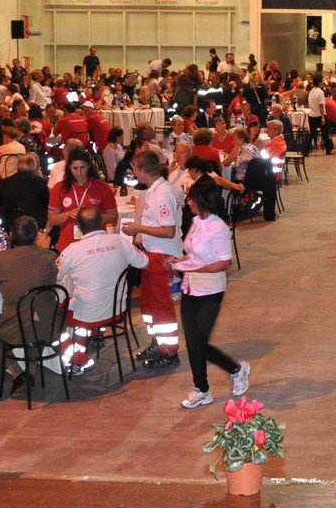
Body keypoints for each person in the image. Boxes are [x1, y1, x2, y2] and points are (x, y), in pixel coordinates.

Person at [173, 182, 248, 408]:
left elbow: (224, 262)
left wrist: (197, 269)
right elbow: (193, 254)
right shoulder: (196, 222)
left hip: (210, 290)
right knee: (192, 342)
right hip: (190, 287)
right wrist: (180, 263)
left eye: (191, 198)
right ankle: (202, 389)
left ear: (202, 200)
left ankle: (236, 369)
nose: (188, 202)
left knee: (199, 343)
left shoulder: (217, 227)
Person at [55, 206, 147, 372]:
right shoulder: (120, 242)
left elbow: (56, 276)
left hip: (87, 315)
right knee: (80, 304)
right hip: (117, 311)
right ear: (102, 222)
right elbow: (144, 262)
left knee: (55, 317)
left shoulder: (71, 251)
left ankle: (78, 358)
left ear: (80, 228)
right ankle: (85, 347)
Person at [0, 216, 60, 387]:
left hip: (16, 329)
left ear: (11, 235)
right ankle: (31, 368)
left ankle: (16, 372)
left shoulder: (1, 260)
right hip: (50, 327)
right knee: (36, 322)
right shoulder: (49, 257)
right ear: (36, 235)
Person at [119, 151, 184, 369]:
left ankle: (169, 352)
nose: (134, 171)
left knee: (161, 307)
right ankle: (158, 343)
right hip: (152, 254)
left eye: (135, 167)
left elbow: (168, 231)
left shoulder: (162, 193)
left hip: (162, 256)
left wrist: (139, 228)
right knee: (149, 304)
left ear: (143, 170)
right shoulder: (154, 191)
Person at [47, 149, 118, 252]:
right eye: (75, 168)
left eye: (82, 167)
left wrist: (93, 217)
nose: (79, 173)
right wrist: (67, 214)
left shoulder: (103, 187)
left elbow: (114, 217)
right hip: (68, 245)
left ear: (89, 165)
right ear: (69, 168)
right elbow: (52, 220)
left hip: (96, 246)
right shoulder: (59, 188)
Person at [0, 152, 50, 233]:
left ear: (18, 167)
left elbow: (1, 203)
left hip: (12, 221)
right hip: (35, 222)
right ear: (35, 168)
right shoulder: (40, 182)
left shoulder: (5, 182)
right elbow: (47, 203)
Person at [306, 74, 334, 156]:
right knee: (325, 133)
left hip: (312, 115)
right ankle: (329, 149)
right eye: (322, 81)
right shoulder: (320, 92)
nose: (323, 82)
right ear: (319, 82)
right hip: (319, 115)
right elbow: (321, 105)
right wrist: (323, 117)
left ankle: (305, 149)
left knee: (312, 133)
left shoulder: (311, 91)